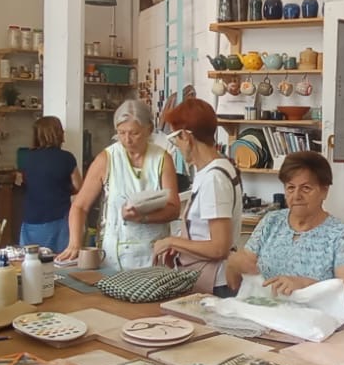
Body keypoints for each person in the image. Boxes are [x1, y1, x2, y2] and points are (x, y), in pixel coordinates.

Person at [224, 150, 344, 312]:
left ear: (324, 191)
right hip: (263, 319)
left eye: (306, 188)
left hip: (314, 329)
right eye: (290, 188)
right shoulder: (271, 222)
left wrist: (306, 285)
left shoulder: (340, 235)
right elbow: (235, 284)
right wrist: (233, 264)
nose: (296, 195)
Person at [58, 99, 180, 271]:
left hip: (154, 253)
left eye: (134, 133)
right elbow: (80, 206)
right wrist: (74, 244)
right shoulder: (107, 159)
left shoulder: (162, 159)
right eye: (121, 133)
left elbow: (174, 208)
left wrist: (142, 217)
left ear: (149, 130)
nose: (127, 140)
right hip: (114, 256)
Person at [152, 98, 242, 292]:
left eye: (174, 139)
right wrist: (180, 247)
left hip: (215, 283)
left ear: (186, 136)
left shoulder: (214, 179)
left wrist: (172, 241)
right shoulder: (213, 169)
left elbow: (219, 248)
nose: (176, 145)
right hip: (204, 277)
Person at [18, 116, 79, 251]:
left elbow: (24, 181)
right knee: (59, 263)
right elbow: (78, 186)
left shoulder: (26, 157)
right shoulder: (67, 158)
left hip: (31, 219)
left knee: (30, 261)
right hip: (58, 218)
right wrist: (64, 189)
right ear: (58, 134)